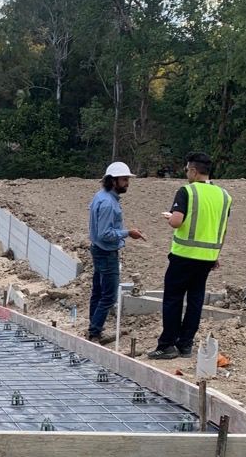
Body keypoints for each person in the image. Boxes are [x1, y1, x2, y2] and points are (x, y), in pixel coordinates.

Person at [148, 152, 232, 360]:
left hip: (184, 255)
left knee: (173, 299)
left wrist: (170, 218)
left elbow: (177, 221)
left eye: (187, 170)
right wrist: (215, 254)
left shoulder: (187, 191)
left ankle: (167, 345)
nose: (186, 173)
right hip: (207, 257)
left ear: (194, 171)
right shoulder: (224, 196)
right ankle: (185, 344)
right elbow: (221, 228)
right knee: (195, 300)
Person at [87, 161, 146, 345]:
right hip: (106, 252)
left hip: (98, 250)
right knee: (109, 296)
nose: (127, 183)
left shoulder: (101, 196)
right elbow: (105, 234)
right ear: (113, 181)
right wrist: (127, 233)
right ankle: (95, 333)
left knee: (98, 291)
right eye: (124, 179)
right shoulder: (108, 203)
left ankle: (94, 327)